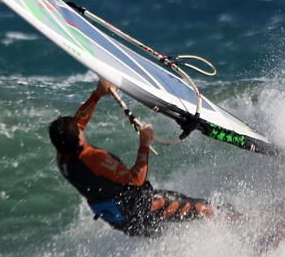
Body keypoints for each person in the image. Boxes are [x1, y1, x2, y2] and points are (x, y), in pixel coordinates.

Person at [48, 78, 218, 236]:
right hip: (141, 208)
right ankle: (239, 219)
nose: (80, 126)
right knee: (199, 208)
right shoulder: (94, 158)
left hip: (119, 220)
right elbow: (136, 179)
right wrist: (144, 144)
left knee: (169, 239)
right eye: (78, 129)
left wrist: (97, 94)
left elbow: (77, 123)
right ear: (78, 137)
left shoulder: (62, 155)